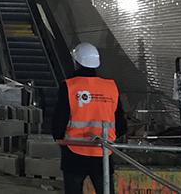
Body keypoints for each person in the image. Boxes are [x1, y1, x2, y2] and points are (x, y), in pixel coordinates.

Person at [52, 42, 127, 194]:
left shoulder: (69, 86)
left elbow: (60, 118)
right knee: (105, 190)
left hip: (74, 150)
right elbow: (120, 123)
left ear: (76, 62)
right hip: (103, 151)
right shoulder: (110, 86)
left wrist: (59, 137)